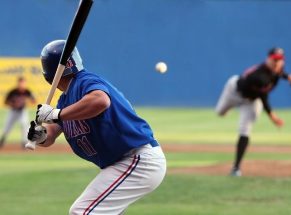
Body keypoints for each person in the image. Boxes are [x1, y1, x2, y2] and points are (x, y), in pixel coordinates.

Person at [27, 40, 166, 215]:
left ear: (47, 74)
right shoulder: (65, 100)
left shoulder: (85, 81)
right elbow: (50, 135)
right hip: (122, 163)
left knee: (82, 211)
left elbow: (100, 100)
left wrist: (56, 114)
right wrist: (40, 135)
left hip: (138, 160)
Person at [215, 47, 291, 177]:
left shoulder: (277, 70)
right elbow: (264, 98)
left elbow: (280, 73)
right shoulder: (259, 76)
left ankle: (236, 168)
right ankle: (228, 109)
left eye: (280, 60)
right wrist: (273, 117)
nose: (277, 62)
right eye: (274, 59)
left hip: (250, 101)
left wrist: (289, 77)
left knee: (245, 130)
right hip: (233, 92)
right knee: (219, 112)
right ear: (268, 59)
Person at [0, 76, 36, 148]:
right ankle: (2, 141)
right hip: (13, 111)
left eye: (23, 83)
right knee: (7, 126)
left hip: (22, 111)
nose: (22, 84)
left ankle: (24, 142)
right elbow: (5, 102)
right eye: (21, 83)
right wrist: (13, 104)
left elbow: (34, 100)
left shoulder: (27, 91)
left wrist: (28, 101)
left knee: (24, 125)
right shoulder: (13, 91)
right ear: (18, 83)